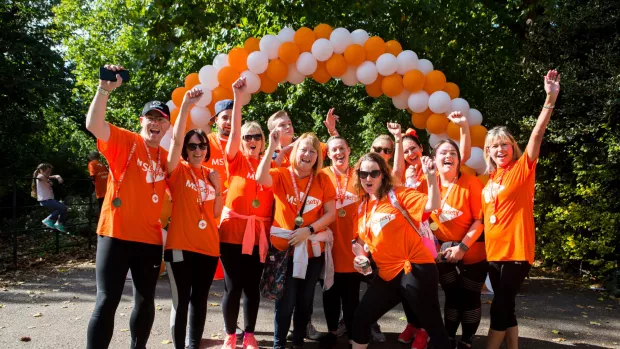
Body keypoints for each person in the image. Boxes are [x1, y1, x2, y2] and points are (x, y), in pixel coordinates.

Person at [85, 64, 170, 349]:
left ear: (167, 126)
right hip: (115, 234)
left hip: (149, 239)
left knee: (146, 299)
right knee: (107, 299)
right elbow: (94, 125)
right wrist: (104, 90)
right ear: (141, 120)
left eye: (161, 119)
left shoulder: (167, 158)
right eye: (150, 117)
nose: (155, 122)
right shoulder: (125, 140)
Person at [482, 70, 560, 349]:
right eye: (494, 146)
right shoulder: (490, 179)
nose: (500, 149)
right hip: (494, 253)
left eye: (504, 144)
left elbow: (537, 134)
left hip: (516, 252)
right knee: (508, 307)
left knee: (498, 309)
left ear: (512, 147)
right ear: (488, 152)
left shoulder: (522, 170)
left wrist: (550, 98)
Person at [350, 152, 451, 349]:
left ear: (383, 175)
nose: (368, 178)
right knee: (361, 318)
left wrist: (431, 177)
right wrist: (360, 257)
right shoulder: (363, 207)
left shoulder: (399, 195)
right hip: (387, 275)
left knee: (433, 326)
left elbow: (433, 204)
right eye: (363, 174)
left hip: (414, 268)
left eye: (373, 173)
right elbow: (360, 243)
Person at [398, 112, 472, 348]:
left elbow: (463, 155)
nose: (411, 154)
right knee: (410, 287)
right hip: (415, 239)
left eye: (413, 149)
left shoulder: (434, 167)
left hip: (440, 242)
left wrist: (463, 127)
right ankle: (416, 324)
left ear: (423, 149)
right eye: (405, 151)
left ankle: (429, 331)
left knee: (431, 290)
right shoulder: (405, 173)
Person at [256, 131, 336, 349]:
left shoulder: (322, 179)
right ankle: (278, 345)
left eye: (313, 151)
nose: (308, 154)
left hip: (311, 252)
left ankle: (298, 343)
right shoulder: (281, 174)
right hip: (284, 252)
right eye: (304, 149)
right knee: (285, 302)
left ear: (318, 157)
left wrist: (308, 230)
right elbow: (260, 177)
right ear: (295, 153)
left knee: (305, 301)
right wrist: (272, 147)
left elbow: (331, 214)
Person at [164, 87, 223, 349]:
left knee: (200, 300)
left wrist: (219, 188)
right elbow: (175, 141)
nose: (197, 150)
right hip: (180, 246)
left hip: (208, 247)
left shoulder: (211, 175)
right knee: (182, 300)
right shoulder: (178, 171)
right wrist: (186, 107)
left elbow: (216, 214)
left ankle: (192, 345)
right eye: (192, 146)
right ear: (186, 150)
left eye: (201, 146)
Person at [218, 77, 274, 349]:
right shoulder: (235, 160)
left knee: (252, 288)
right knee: (233, 287)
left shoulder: (270, 166)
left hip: (259, 236)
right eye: (247, 136)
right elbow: (234, 133)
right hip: (231, 234)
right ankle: (231, 334)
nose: (251, 140)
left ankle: (249, 334)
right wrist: (238, 100)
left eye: (257, 136)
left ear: (263, 142)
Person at [427, 136, 485, 349]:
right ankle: (449, 338)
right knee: (452, 296)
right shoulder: (430, 183)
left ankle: (467, 341)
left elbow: (480, 221)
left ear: (459, 160)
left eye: (453, 153)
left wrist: (462, 248)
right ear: (435, 158)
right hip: (442, 253)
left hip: (472, 251)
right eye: (443, 153)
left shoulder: (471, 182)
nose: (448, 156)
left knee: (470, 297)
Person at [318, 135, 362, 349]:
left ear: (349, 150)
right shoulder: (322, 175)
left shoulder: (360, 175)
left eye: (342, 148)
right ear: (328, 154)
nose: (338, 153)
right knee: (329, 292)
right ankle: (332, 332)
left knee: (352, 295)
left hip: (353, 244)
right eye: (334, 150)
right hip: (328, 244)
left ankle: (354, 335)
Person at [205, 99, 233, 195]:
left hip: (235, 203)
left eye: (233, 118)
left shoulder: (245, 144)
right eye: (225, 118)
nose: (229, 122)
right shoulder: (204, 142)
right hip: (209, 202)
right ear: (216, 120)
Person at [33, 163, 68, 233]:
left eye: (50, 172)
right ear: (41, 170)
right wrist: (48, 181)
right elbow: (40, 177)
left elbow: (55, 176)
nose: (49, 174)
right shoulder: (40, 176)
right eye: (47, 172)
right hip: (45, 200)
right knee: (62, 208)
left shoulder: (46, 176)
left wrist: (58, 177)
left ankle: (59, 223)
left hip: (49, 199)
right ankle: (49, 220)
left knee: (64, 208)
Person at [88, 151, 109, 215]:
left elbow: (92, 176)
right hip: (107, 187)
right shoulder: (102, 164)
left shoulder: (91, 163)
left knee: (101, 206)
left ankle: (101, 222)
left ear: (91, 157)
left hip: (100, 188)